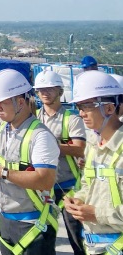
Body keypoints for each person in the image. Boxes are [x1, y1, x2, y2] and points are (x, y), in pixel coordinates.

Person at [0, 69, 59, 255]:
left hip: (32, 224)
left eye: (2, 102)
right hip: (5, 220)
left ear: (20, 102)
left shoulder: (40, 136)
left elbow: (45, 180)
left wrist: (1, 172)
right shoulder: (4, 129)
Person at [63, 70, 123, 255]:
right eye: (79, 107)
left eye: (87, 106)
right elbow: (88, 184)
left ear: (110, 108)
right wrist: (78, 198)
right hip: (93, 246)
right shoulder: (93, 146)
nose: (81, 114)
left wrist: (96, 214)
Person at [33, 69, 86, 255]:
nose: (44, 93)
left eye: (49, 89)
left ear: (60, 91)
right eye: (40, 90)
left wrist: (49, 146)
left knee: (77, 237)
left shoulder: (71, 119)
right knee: (45, 239)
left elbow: (79, 148)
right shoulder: (33, 119)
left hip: (68, 187)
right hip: (43, 190)